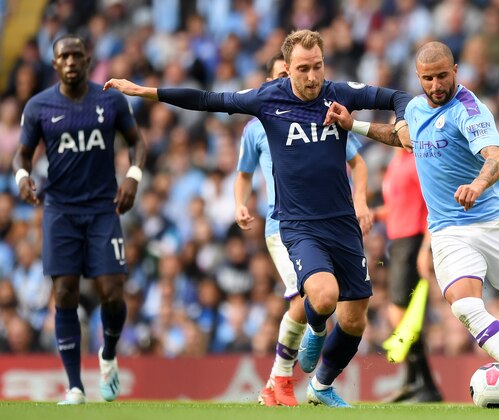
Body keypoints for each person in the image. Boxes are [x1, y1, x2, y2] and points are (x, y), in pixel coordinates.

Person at [104, 29, 410, 407]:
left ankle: (321, 386)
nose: (312, 77)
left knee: (354, 321)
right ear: (287, 70)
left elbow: (396, 96)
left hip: (343, 222)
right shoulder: (268, 99)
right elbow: (206, 99)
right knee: (323, 296)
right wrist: (147, 92)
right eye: (303, 69)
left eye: (318, 67)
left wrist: (404, 122)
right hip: (298, 226)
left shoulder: (339, 93)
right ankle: (313, 331)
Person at [324, 41, 499, 407]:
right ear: (418, 77)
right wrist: (354, 124)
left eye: (443, 75)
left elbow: (497, 158)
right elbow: (401, 137)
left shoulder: (470, 110)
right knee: (463, 304)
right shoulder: (414, 108)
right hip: (447, 229)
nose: (437, 84)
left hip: (492, 221)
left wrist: (477, 184)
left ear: (455, 70)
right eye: (428, 78)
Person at [14, 34, 147, 404]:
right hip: (60, 210)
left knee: (113, 293)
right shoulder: (39, 106)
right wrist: (22, 178)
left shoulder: (110, 99)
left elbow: (138, 143)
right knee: (64, 293)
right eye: (63, 57)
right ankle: (75, 386)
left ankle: (108, 353)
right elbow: (21, 155)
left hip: (104, 207)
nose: (71, 61)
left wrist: (133, 177)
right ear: (54, 63)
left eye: (76, 55)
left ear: (87, 60)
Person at [234, 53, 373, 406]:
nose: (297, 82)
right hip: (282, 225)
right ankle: (280, 378)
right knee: (307, 296)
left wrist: (361, 201)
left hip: (332, 220)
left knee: (349, 311)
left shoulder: (325, 112)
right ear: (271, 83)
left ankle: (301, 383)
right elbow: (244, 173)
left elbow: (357, 163)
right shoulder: (258, 125)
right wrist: (240, 203)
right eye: (283, 76)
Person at [376, 147, 442, 403]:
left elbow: (432, 205)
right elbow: (399, 206)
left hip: (413, 241)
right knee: (401, 315)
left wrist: (426, 248)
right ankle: (416, 382)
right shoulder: (397, 161)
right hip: (400, 241)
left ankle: (422, 383)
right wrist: (375, 214)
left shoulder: (416, 161)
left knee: (402, 313)